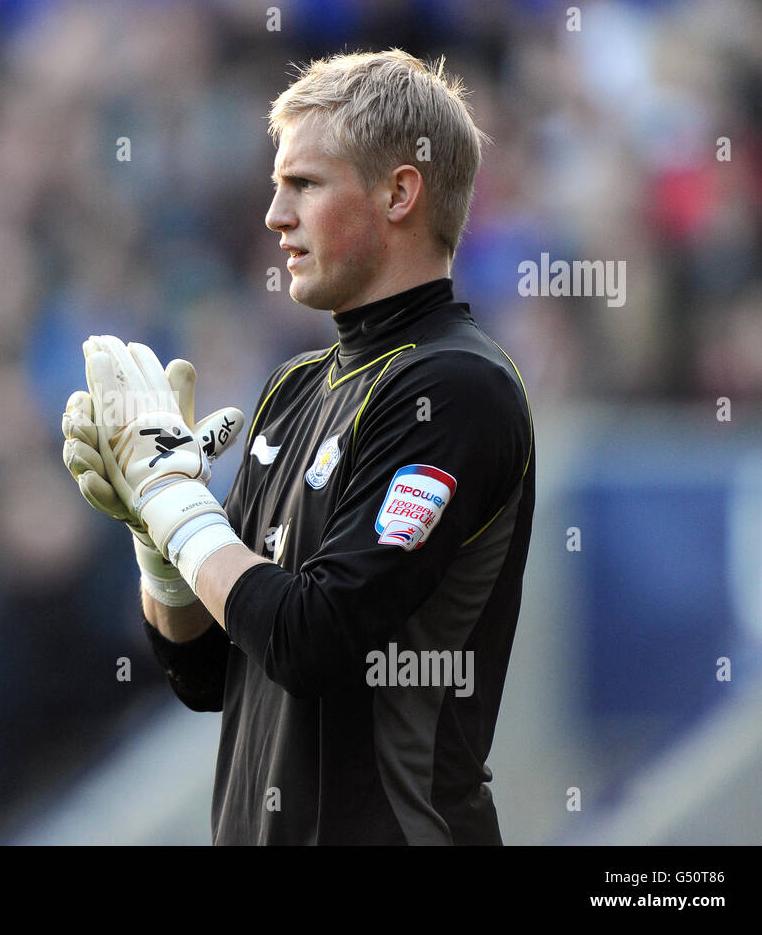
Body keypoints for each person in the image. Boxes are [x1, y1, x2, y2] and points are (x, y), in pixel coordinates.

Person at [62, 49, 534, 845]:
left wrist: (175, 501)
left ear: (399, 192)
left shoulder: (456, 389)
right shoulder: (293, 389)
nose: (275, 216)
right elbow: (212, 669)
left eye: (305, 185)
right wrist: (157, 542)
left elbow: (314, 640)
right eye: (277, 186)